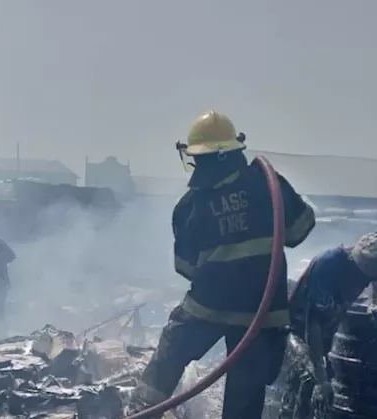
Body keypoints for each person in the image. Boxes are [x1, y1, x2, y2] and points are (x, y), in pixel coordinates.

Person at [128, 110, 316, 419]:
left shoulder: (188, 206)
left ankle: (140, 412)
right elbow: (300, 229)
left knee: (172, 351)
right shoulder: (268, 185)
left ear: (199, 159)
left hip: (208, 308)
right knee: (245, 394)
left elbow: (186, 268)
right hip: (263, 312)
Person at [282, 231, 377, 418]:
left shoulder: (374, 263)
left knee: (321, 392)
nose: (366, 280)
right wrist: (320, 378)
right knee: (310, 378)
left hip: (326, 330)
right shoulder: (329, 265)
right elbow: (313, 324)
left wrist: (373, 302)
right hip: (295, 328)